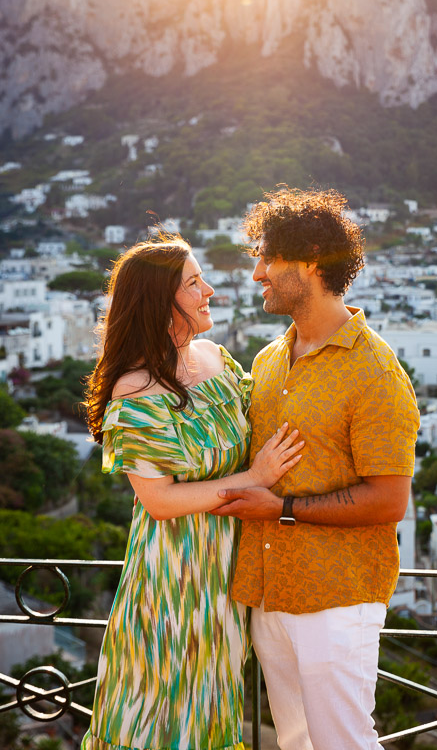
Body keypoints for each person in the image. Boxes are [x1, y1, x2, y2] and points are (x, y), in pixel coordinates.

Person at [211, 188, 420, 750]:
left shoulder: (374, 370)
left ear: (308, 259)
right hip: (269, 592)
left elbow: (388, 500)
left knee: (343, 742)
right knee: (298, 743)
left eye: (266, 258)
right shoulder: (269, 359)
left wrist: (279, 510)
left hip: (337, 596)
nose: (256, 273)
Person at [80, 235, 304, 750]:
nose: (210, 291)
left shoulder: (216, 360)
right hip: (172, 580)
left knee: (208, 710)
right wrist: (255, 479)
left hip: (229, 577)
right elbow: (159, 502)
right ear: (161, 303)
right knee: (156, 716)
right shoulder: (134, 389)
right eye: (193, 283)